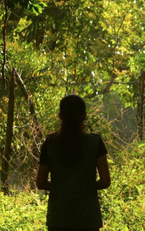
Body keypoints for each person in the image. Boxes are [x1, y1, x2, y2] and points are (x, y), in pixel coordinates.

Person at [36, 94, 111, 231]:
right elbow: (105, 181)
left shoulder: (50, 144)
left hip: (59, 218)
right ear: (84, 116)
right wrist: (84, 187)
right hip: (88, 218)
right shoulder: (95, 143)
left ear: (60, 116)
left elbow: (41, 182)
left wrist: (62, 187)